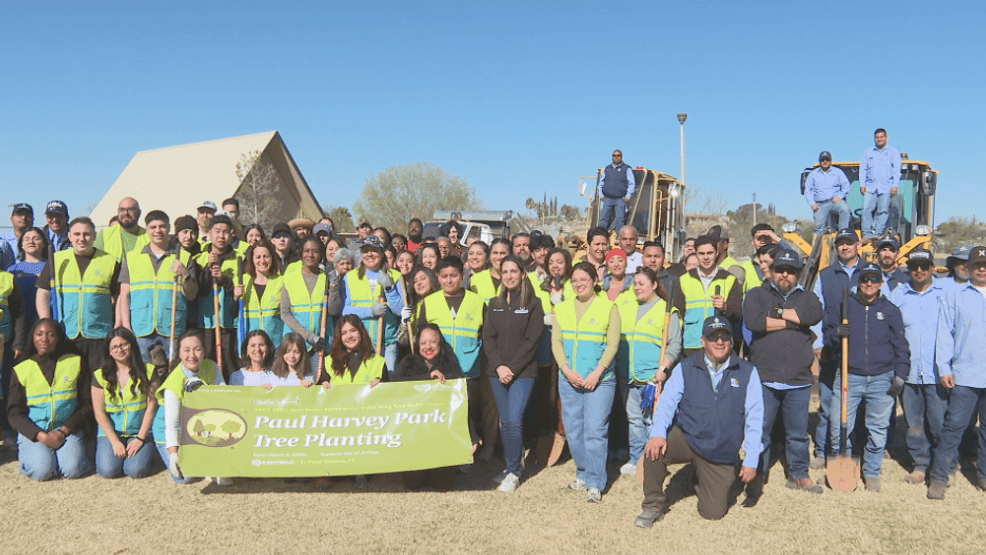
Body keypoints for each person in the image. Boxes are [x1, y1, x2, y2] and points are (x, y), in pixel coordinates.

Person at [634, 316, 763, 526]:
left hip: (720, 449)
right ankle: (652, 505)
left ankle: (700, 476)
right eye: (713, 337)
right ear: (703, 341)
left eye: (725, 337)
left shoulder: (748, 372)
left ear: (732, 341)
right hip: (688, 436)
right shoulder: (685, 367)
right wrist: (657, 433)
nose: (719, 342)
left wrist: (751, 459)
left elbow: (755, 418)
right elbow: (667, 403)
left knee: (712, 512)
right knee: (654, 452)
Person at [743, 248, 824, 500]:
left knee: (798, 433)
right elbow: (754, 321)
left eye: (791, 271)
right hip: (764, 377)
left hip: (799, 380)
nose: (785, 275)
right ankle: (758, 473)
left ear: (798, 274)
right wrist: (793, 320)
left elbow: (813, 315)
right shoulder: (757, 294)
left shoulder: (808, 297)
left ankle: (799, 474)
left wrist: (775, 314)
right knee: (761, 429)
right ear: (771, 271)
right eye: (780, 270)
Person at [824, 262, 909, 492]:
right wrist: (836, 334)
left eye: (874, 279)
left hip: (882, 378)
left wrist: (900, 375)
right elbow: (828, 335)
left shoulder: (890, 310)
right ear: (858, 282)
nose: (869, 284)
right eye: (864, 279)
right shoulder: (845, 306)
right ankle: (845, 466)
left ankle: (871, 472)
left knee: (878, 429)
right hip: (849, 376)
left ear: (881, 282)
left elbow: (901, 345)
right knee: (839, 426)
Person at [552, 261, 620, 502]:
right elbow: (557, 343)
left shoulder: (609, 307)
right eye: (576, 280)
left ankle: (595, 481)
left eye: (585, 280)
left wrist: (597, 373)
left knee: (595, 431)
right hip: (569, 379)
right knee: (574, 429)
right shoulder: (562, 309)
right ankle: (582, 471)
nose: (580, 284)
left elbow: (613, 344)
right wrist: (566, 370)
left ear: (595, 281)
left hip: (600, 381)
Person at [928, 246, 986, 499]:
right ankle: (939, 477)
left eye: (985, 264)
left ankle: (983, 476)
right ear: (969, 268)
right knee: (953, 428)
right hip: (965, 375)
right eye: (977, 265)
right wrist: (944, 367)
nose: (981, 269)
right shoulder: (956, 295)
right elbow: (944, 332)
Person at [483, 256, 545, 492]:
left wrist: (512, 368)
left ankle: (514, 472)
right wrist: (499, 366)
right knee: (505, 422)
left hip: (523, 373)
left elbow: (532, 341)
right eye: (505, 271)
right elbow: (488, 337)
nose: (509, 275)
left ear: (522, 274)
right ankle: (511, 465)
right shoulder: (494, 303)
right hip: (496, 372)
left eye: (513, 271)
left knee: (513, 419)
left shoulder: (533, 303)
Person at [887, 249, 947, 485]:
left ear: (933, 268)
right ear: (908, 269)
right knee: (914, 424)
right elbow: (889, 330)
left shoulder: (946, 293)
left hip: (937, 372)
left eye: (924, 266)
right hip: (909, 371)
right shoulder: (898, 294)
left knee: (939, 422)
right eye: (914, 267)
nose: (919, 271)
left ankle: (942, 465)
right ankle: (920, 465)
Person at [7, 318, 92, 481]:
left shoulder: (75, 362)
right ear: (32, 337)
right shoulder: (22, 369)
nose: (44, 339)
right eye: (39, 334)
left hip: (67, 429)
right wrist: (41, 437)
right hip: (35, 431)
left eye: (51, 334)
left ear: (59, 338)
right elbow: (14, 413)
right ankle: (33, 455)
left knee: (72, 470)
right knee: (43, 472)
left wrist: (63, 431)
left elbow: (87, 404)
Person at [395, 324, 476, 491]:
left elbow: (461, 404)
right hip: (414, 433)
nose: (428, 347)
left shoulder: (451, 366)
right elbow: (395, 388)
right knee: (412, 484)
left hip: (441, 434)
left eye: (432, 342)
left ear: (440, 343)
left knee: (443, 485)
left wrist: (472, 436)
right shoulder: (408, 363)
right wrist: (427, 376)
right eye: (423, 343)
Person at [36, 216, 120, 372]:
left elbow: (119, 297)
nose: (82, 238)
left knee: (98, 382)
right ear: (69, 236)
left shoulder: (109, 261)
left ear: (94, 236)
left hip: (99, 336)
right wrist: (46, 322)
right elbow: (42, 294)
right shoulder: (56, 260)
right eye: (77, 234)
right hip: (65, 334)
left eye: (87, 234)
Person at [619, 267, 681, 476]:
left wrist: (664, 369)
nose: (637, 288)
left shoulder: (666, 311)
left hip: (652, 378)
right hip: (628, 375)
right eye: (635, 284)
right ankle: (636, 458)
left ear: (654, 285)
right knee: (634, 420)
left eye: (641, 283)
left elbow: (674, 345)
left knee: (651, 421)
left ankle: (653, 460)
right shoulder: (627, 307)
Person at [809, 227, 862, 466]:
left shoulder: (869, 273)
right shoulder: (826, 275)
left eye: (849, 242)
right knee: (828, 402)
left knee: (858, 404)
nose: (844, 247)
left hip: (861, 353)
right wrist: (818, 344)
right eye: (840, 243)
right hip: (831, 350)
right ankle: (823, 450)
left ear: (857, 245)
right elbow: (816, 312)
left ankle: (853, 449)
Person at [118, 210, 198, 362]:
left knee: (172, 376)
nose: (158, 231)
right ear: (147, 229)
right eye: (153, 227)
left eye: (162, 227)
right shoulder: (132, 257)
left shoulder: (184, 257)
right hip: (141, 329)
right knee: (144, 376)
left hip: (172, 328)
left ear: (168, 228)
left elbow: (192, 295)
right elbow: (124, 295)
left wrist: (185, 274)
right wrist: (126, 326)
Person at [153, 329, 227, 485]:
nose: (192, 355)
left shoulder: (212, 367)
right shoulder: (173, 383)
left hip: (198, 425)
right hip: (171, 429)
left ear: (204, 351)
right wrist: (174, 455)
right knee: (186, 477)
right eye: (186, 350)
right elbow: (171, 424)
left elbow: (223, 399)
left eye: (197, 349)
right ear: (179, 354)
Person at [91, 328, 159, 479]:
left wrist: (140, 438)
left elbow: (151, 407)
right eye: (114, 347)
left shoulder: (149, 371)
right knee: (108, 471)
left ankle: (147, 453)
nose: (119, 350)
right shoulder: (100, 376)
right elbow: (99, 412)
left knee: (135, 471)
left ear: (132, 345)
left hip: (139, 432)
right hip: (112, 433)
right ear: (108, 351)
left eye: (124, 345)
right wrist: (115, 441)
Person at [341, 235, 405, 374]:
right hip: (361, 343)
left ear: (382, 253)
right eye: (365, 250)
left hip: (388, 343)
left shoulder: (395, 276)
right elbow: (344, 310)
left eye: (374, 250)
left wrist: (389, 288)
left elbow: (400, 310)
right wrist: (369, 311)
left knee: (388, 382)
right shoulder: (350, 277)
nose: (369, 254)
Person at [191, 214, 244, 379]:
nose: (221, 236)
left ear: (231, 233)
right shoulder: (198, 259)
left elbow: (238, 290)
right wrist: (208, 268)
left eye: (226, 232)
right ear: (210, 232)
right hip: (206, 324)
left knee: (231, 367)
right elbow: (197, 291)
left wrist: (223, 279)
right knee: (206, 366)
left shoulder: (239, 259)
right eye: (217, 231)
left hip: (230, 324)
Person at [677, 235, 741, 357]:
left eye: (709, 253)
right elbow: (678, 315)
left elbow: (737, 314)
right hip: (691, 347)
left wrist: (725, 308)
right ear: (696, 253)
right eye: (701, 253)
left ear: (716, 253)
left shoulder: (729, 279)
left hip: (719, 346)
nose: (706, 257)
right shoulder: (684, 280)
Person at [281, 237, 341, 366]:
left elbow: (334, 310)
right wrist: (308, 336)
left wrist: (334, 283)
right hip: (295, 344)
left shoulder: (326, 277)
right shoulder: (290, 278)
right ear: (301, 253)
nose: (310, 255)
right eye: (306, 251)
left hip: (322, 344)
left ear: (321, 254)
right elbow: (285, 313)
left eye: (315, 251)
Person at [236, 239, 286, 349]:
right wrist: (235, 297)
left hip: (274, 345)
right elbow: (232, 313)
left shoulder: (281, 282)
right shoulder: (243, 281)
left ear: (272, 258)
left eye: (266, 256)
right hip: (250, 346)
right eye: (258, 257)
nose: (262, 261)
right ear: (252, 259)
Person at [860, 128, 901, 240]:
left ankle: (877, 234)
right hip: (870, 186)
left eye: (881, 137)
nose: (879, 139)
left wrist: (895, 185)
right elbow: (863, 169)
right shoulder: (868, 152)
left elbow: (896, 170)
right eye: (877, 137)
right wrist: (862, 184)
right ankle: (867, 234)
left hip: (886, 187)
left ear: (886, 138)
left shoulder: (893, 152)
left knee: (883, 210)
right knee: (866, 209)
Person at [804, 151, 851, 237]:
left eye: (827, 159)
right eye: (823, 160)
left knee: (845, 209)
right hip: (820, 204)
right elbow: (808, 190)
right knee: (818, 229)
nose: (825, 161)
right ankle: (817, 248)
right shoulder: (813, 174)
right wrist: (812, 203)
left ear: (830, 161)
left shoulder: (838, 172)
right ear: (820, 161)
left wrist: (840, 196)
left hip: (834, 201)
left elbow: (846, 185)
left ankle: (843, 234)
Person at [95, 197, 150, 263]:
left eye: (131, 209)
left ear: (139, 212)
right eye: (122, 210)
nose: (126, 213)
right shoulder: (105, 234)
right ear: (118, 212)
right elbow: (95, 262)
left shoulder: (148, 237)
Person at [598, 150, 636, 231]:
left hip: (620, 199)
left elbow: (632, 183)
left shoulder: (627, 169)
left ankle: (619, 238)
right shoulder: (607, 169)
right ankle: (600, 235)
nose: (616, 157)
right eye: (614, 155)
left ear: (622, 157)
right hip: (608, 198)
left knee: (620, 220)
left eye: (618, 155)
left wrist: (628, 196)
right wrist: (601, 195)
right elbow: (601, 182)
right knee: (604, 218)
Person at [469, 238, 510, 303]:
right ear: (490, 255)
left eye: (503, 253)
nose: (498, 257)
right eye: (495, 253)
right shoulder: (475, 279)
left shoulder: (516, 279)